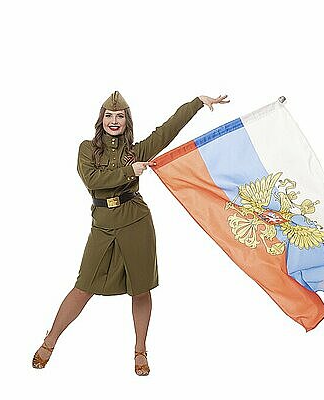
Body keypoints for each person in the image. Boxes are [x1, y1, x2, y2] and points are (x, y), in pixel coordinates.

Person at [32, 91, 229, 376]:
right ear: (101, 120)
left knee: (141, 287)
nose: (114, 121)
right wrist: (129, 172)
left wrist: (198, 103)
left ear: (127, 121)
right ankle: (50, 341)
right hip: (102, 224)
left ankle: (140, 350)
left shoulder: (135, 151)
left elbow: (168, 130)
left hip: (136, 221)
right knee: (83, 285)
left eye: (120, 116)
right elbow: (93, 181)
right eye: (109, 116)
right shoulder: (87, 149)